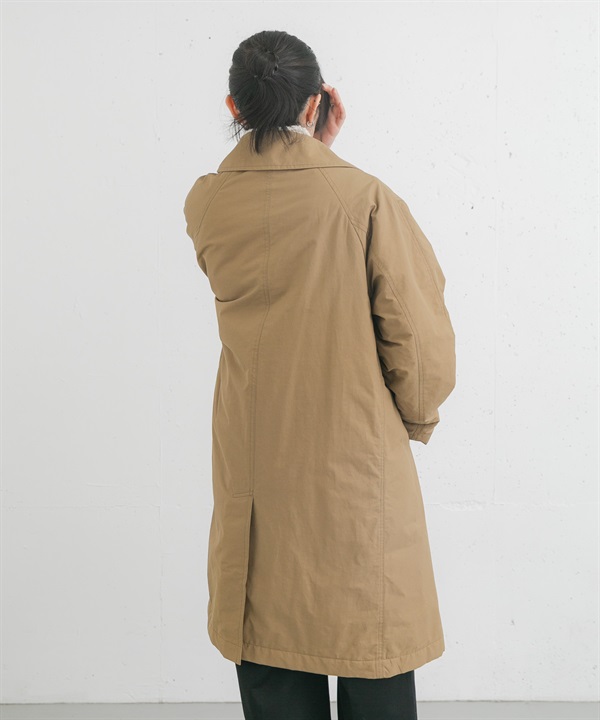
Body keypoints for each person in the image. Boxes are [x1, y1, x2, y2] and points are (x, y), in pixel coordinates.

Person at [183, 29, 457, 720]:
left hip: (255, 468)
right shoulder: (364, 198)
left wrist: (307, 150)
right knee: (372, 649)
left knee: (270, 645)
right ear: (317, 104)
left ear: (233, 106)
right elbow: (419, 338)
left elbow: (275, 222)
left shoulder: (207, 203)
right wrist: (416, 416)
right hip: (355, 468)